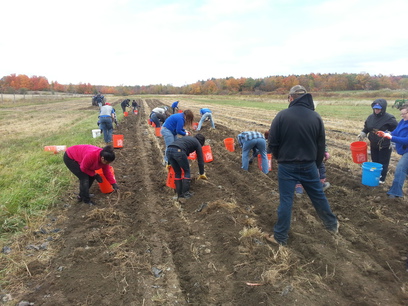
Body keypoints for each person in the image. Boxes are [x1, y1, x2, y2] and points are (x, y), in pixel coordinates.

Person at [265, 85, 338, 245]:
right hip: (310, 165)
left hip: (286, 166)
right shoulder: (315, 117)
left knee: (286, 201)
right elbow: (321, 145)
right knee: (318, 196)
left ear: (291, 98)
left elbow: (273, 142)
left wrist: (279, 158)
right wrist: (316, 165)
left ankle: (280, 237)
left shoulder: (282, 116)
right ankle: (332, 225)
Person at [358, 99, 398, 184]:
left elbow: (396, 130)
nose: (376, 110)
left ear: (383, 109)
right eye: (375, 108)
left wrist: (388, 134)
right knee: (375, 160)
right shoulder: (370, 117)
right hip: (374, 142)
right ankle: (375, 176)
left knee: (383, 162)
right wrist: (363, 133)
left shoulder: (390, 118)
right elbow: (367, 127)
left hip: (385, 144)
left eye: (379, 109)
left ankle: (381, 179)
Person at [376, 105, 408, 198]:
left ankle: (395, 193)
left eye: (404, 114)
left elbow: (406, 140)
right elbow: (396, 132)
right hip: (404, 150)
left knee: (400, 168)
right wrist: (386, 134)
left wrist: (391, 138)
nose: (402, 116)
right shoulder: (403, 121)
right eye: (401, 114)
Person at [166, 134, 207, 199]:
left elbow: (173, 147)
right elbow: (200, 159)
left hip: (168, 151)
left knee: (177, 172)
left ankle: (179, 194)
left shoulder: (187, 139)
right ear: (201, 142)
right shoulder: (197, 143)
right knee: (187, 171)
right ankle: (185, 193)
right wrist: (201, 173)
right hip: (179, 152)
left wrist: (169, 163)